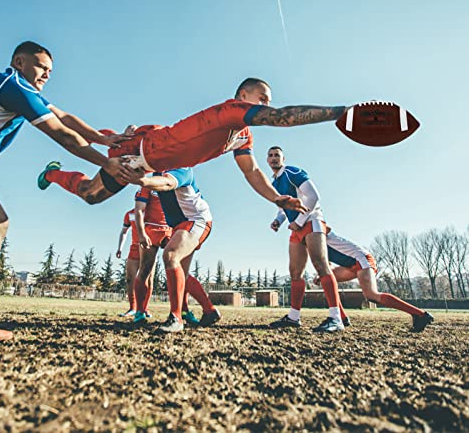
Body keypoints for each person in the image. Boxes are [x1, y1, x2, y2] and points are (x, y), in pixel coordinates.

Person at [0, 41, 128, 343]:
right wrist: (108, 164)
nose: (46, 75)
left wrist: (104, 140)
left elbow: (65, 117)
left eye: (50, 72)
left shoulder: (22, 91)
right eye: (41, 67)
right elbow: (63, 135)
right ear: (19, 61)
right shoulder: (13, 85)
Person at [38, 78, 348, 213]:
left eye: (269, 100)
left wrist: (277, 199)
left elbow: (252, 172)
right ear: (243, 96)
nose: (268, 104)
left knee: (91, 198)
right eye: (262, 97)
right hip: (139, 149)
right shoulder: (230, 110)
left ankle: (56, 170)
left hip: (150, 164)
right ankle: (42, 112)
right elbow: (282, 118)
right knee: (90, 157)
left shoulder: (242, 136)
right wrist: (338, 113)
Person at [130, 167, 221, 333]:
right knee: (181, 273)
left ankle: (176, 317)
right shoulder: (156, 173)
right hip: (180, 225)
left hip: (196, 220)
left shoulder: (182, 168)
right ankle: (209, 311)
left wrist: (140, 179)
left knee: (171, 256)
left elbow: (167, 182)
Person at [266, 146, 346, 333]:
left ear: (283, 158)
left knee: (320, 264)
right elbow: (283, 208)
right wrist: (278, 220)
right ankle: (294, 317)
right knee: (295, 272)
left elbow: (313, 196)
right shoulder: (274, 183)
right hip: (296, 227)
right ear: (267, 161)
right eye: (270, 156)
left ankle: (336, 319)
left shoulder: (293, 172)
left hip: (311, 221)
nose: (273, 158)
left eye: (277, 155)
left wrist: (300, 221)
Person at [310, 230, 434, 332]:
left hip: (361, 259)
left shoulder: (317, 226)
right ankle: (341, 317)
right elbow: (326, 261)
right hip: (350, 264)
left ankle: (421, 314)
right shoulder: (308, 238)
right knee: (328, 279)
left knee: (371, 295)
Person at [115, 187, 172, 317]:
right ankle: (133, 308)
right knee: (130, 278)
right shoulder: (130, 214)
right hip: (135, 247)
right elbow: (123, 231)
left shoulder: (151, 212)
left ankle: (144, 308)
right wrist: (119, 248)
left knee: (149, 277)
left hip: (150, 244)